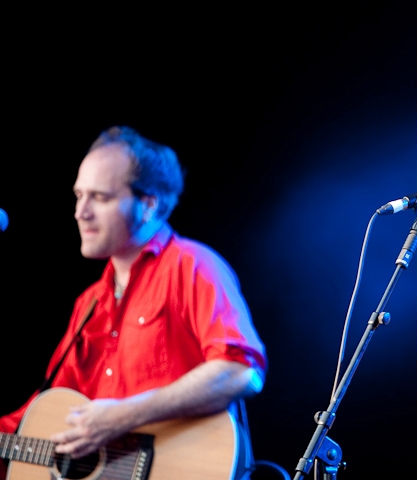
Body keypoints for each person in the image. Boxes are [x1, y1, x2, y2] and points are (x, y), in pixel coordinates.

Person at [0, 126, 267, 479]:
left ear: (148, 204)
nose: (81, 212)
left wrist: (121, 416)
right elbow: (44, 413)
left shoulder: (193, 266)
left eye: (100, 197)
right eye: (79, 195)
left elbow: (239, 372)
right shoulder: (90, 302)